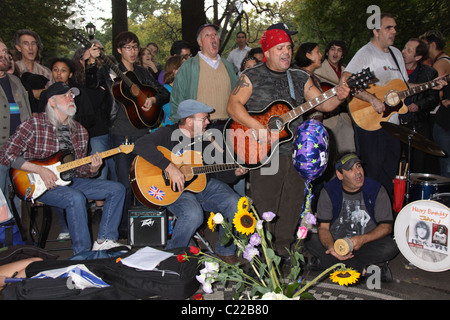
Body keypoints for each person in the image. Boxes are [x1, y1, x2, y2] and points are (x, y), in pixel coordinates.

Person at [226, 23, 350, 257]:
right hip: (263, 151)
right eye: (280, 48)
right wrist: (258, 126)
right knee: (265, 206)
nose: (286, 52)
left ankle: (282, 252)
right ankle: (261, 255)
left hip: (296, 152)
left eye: (289, 48)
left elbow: (324, 103)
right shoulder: (251, 76)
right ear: (268, 52)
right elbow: (233, 106)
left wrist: (340, 96)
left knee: (292, 204)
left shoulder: (300, 76)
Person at [0, 82, 126, 255]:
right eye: (65, 95)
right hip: (38, 184)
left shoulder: (80, 131)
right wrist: (40, 170)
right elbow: (6, 154)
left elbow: (79, 171)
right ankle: (82, 253)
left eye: (72, 95)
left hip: (69, 181)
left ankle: (105, 239)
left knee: (117, 189)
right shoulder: (35, 124)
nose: (71, 98)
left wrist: (93, 169)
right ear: (52, 102)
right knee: (75, 198)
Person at [134, 99, 247, 263]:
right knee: (193, 214)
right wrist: (169, 167)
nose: (208, 122)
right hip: (175, 191)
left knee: (236, 203)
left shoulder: (208, 139)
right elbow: (141, 144)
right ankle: (173, 256)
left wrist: (235, 172)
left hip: (204, 185)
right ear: (189, 121)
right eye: (204, 119)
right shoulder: (167, 134)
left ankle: (225, 250)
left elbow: (218, 174)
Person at [99, 31, 170, 237]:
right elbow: (92, 82)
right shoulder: (108, 70)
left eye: (135, 47)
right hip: (121, 135)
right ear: (119, 50)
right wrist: (92, 63)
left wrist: (153, 100)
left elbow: (163, 93)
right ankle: (122, 231)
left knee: (145, 180)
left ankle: (146, 228)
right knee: (123, 185)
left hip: (143, 134)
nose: (132, 51)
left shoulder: (142, 72)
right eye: (127, 47)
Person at [341, 13, 408, 199]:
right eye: (388, 28)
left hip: (393, 123)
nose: (394, 31)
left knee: (390, 170)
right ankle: (367, 212)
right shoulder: (365, 53)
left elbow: (406, 86)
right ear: (376, 31)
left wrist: (432, 84)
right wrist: (372, 99)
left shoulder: (396, 54)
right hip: (370, 122)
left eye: (394, 27)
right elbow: (346, 80)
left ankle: (385, 215)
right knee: (372, 171)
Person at [305, 153, 399, 280]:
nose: (358, 172)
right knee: (309, 239)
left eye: (358, 166)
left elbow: (386, 227)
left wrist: (362, 239)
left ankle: (327, 263)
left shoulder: (376, 189)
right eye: (350, 169)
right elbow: (324, 228)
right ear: (340, 175)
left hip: (364, 244)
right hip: (337, 243)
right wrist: (331, 247)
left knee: (391, 246)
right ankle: (364, 270)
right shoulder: (329, 191)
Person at [170, 24, 237, 127]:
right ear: (200, 42)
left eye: (215, 34)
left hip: (227, 126)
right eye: (207, 35)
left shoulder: (228, 66)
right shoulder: (189, 66)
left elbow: (236, 97)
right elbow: (176, 99)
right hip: (198, 127)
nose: (213, 37)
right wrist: (180, 126)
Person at [0, 38, 32, 214]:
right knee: (1, 201)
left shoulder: (15, 81)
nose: (3, 55)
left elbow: (26, 114)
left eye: (5, 52)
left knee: (18, 199)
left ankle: (14, 239)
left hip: (18, 150)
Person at [400, 38, 440, 173]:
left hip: (417, 124)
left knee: (418, 163)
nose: (403, 52)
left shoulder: (429, 73)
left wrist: (419, 105)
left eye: (408, 50)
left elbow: (433, 98)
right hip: (394, 122)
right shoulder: (394, 69)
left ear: (418, 57)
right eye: (404, 48)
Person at [314, 40, 356, 159]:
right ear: (327, 52)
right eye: (332, 49)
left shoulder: (347, 70)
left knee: (349, 155)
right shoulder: (318, 70)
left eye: (339, 50)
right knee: (330, 158)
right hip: (328, 120)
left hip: (345, 118)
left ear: (342, 55)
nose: (335, 52)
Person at [420, 30, 450, 178]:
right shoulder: (443, 60)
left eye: (424, 45)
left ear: (432, 45)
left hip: (441, 118)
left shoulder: (441, 63)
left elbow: (433, 92)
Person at [13, 29, 53, 112]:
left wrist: (29, 93)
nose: (30, 48)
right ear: (18, 48)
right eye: (26, 44)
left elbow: (53, 95)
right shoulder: (12, 70)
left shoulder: (46, 72)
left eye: (33, 44)